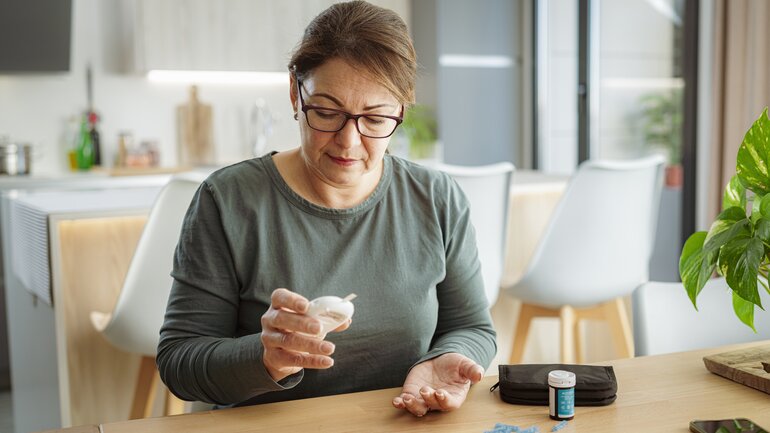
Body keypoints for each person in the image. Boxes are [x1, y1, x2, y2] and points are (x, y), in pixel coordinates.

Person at [157, 0, 496, 418]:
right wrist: (267, 358)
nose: (348, 142)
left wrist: (444, 359)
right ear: (294, 93)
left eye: (374, 119)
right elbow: (179, 361)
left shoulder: (436, 197)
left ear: (402, 110)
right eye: (327, 112)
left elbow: (472, 326)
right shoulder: (228, 200)